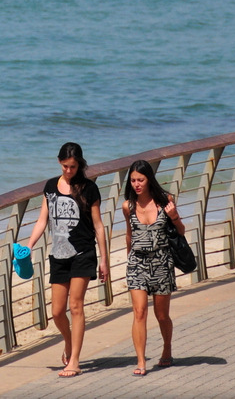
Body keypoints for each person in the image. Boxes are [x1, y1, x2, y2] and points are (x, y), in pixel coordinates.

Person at [28, 142, 109, 378]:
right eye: (65, 166)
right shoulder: (50, 187)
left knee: (76, 306)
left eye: (73, 167)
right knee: (56, 311)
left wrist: (103, 259)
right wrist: (29, 245)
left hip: (83, 253)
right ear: (59, 162)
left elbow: (98, 226)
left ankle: (74, 361)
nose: (68, 171)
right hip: (58, 255)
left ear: (80, 165)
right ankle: (69, 343)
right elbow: (43, 220)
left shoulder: (89, 189)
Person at [122, 160, 184, 376]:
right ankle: (141, 361)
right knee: (139, 312)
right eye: (133, 180)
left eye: (141, 180)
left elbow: (181, 231)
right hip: (137, 262)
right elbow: (129, 236)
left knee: (162, 315)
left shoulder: (165, 202)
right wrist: (129, 261)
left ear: (149, 180)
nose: (136, 184)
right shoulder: (128, 206)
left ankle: (167, 348)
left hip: (161, 262)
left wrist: (174, 216)